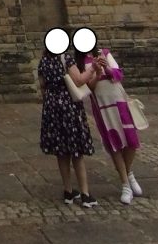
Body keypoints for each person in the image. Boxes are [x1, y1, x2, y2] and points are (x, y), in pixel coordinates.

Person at [38, 42, 103, 207]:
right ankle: (85, 194)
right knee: (76, 152)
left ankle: (68, 191)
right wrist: (93, 68)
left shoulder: (43, 61)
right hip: (69, 107)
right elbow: (79, 80)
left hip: (52, 108)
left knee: (61, 151)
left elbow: (43, 87)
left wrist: (52, 101)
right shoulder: (65, 58)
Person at [77, 42, 142, 205]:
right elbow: (89, 87)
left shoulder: (104, 53)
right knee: (115, 144)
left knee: (132, 141)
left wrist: (105, 68)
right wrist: (96, 72)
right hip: (102, 105)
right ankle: (125, 184)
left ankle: (127, 173)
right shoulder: (81, 61)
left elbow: (119, 75)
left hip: (119, 100)